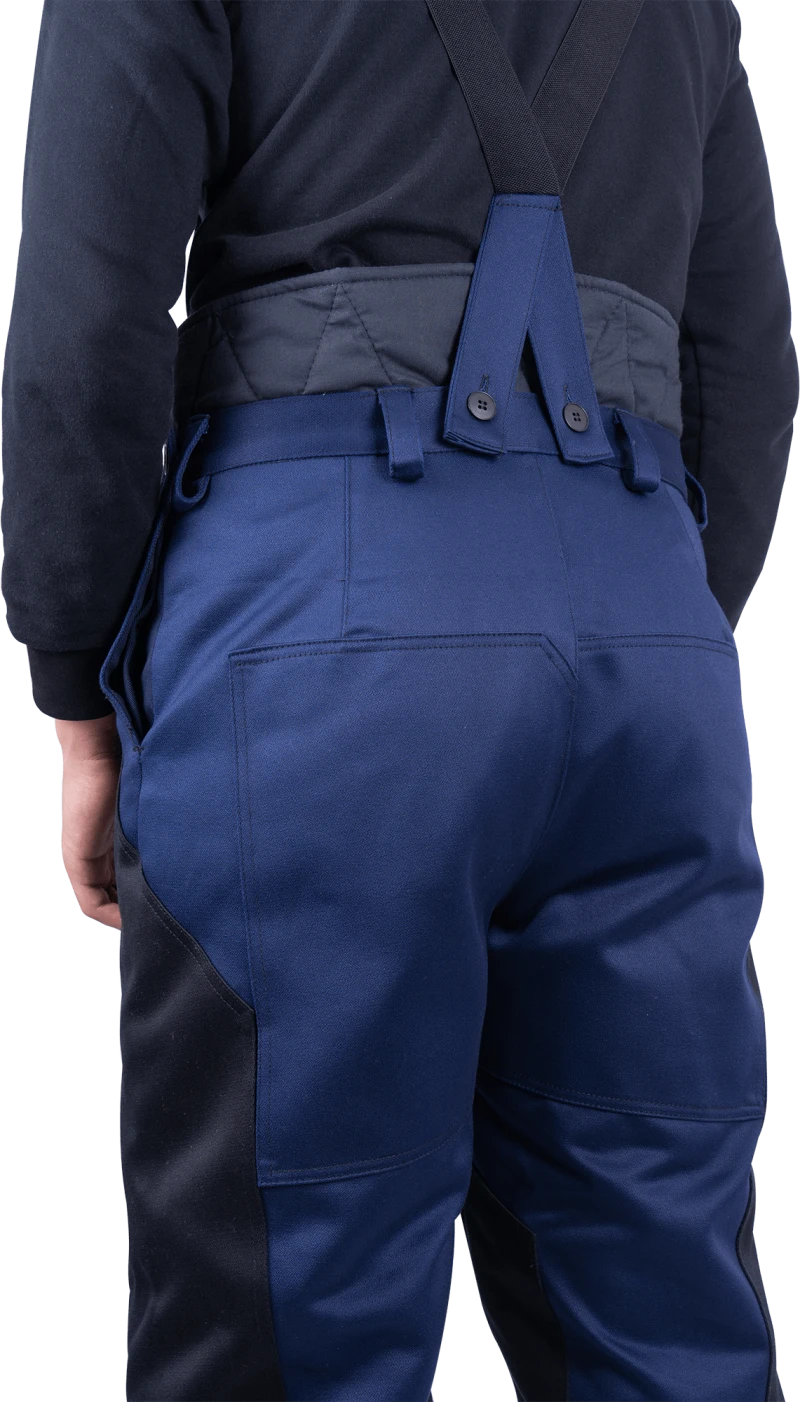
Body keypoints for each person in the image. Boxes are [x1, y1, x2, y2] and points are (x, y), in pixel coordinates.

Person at [2, 1, 796, 1398]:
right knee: (665, 1312)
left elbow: (87, 320)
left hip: (322, 631)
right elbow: (743, 357)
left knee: (281, 1322)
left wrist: (81, 690)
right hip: (647, 639)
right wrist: (646, 613)